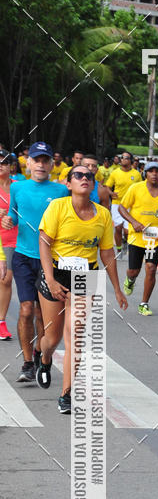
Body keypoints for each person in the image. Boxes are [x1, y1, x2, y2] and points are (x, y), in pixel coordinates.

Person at [36, 165, 128, 413]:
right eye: (78, 175)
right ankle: (43, 359)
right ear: (68, 184)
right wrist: (51, 279)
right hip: (55, 272)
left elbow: (107, 252)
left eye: (89, 176)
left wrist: (117, 289)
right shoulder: (58, 207)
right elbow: (44, 243)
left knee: (75, 334)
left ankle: (67, 394)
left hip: (86, 274)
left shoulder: (103, 215)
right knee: (51, 339)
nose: (85, 178)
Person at [1, 142, 69, 383]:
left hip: (49, 260)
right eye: (36, 160)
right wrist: (9, 221)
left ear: (52, 164)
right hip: (23, 256)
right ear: (27, 163)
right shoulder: (18, 189)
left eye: (45, 160)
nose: (40, 164)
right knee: (26, 309)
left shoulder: (61, 191)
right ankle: (28, 363)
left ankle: (41, 355)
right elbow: (13, 214)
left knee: (42, 314)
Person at [119, 162, 158, 315]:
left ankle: (144, 304)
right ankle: (130, 280)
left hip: (156, 238)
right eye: (151, 171)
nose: (154, 174)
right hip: (137, 237)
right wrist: (134, 222)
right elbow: (122, 208)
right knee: (133, 271)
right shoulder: (135, 188)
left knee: (151, 268)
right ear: (145, 173)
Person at [104, 151, 142, 254]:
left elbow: (141, 188)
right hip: (117, 204)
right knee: (118, 227)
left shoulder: (136, 174)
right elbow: (107, 187)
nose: (123, 159)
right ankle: (119, 249)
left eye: (126, 158)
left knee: (127, 231)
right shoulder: (115, 173)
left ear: (131, 161)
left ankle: (125, 241)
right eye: (122, 157)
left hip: (130, 205)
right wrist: (111, 193)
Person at [0, 151, 18, 339]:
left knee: (5, 279)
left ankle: (1, 322)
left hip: (11, 241)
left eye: (4, 162)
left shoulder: (19, 187)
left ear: (11, 166)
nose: (0, 165)